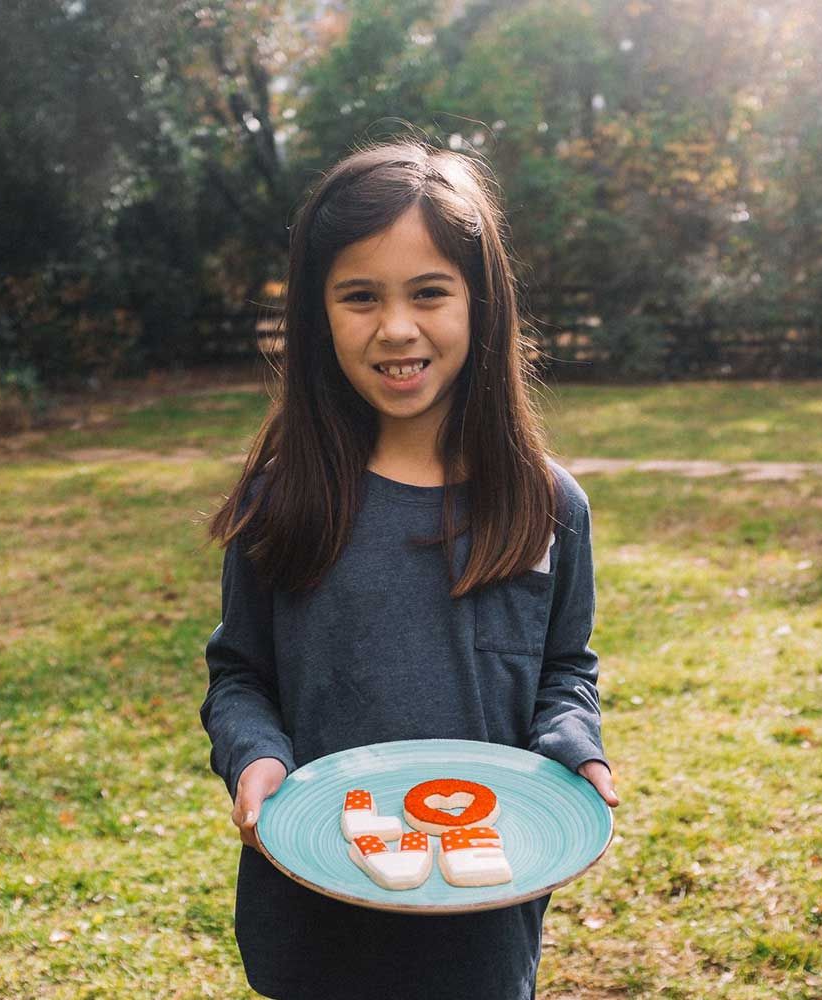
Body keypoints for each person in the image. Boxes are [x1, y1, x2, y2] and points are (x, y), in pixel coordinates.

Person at [200, 140, 619, 1000]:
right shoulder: (283, 501)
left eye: (429, 292)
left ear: (483, 303)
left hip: (481, 925)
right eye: (360, 297)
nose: (397, 328)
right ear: (319, 316)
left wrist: (574, 748)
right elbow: (239, 675)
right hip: (312, 921)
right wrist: (254, 759)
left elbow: (565, 672)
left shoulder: (546, 507)